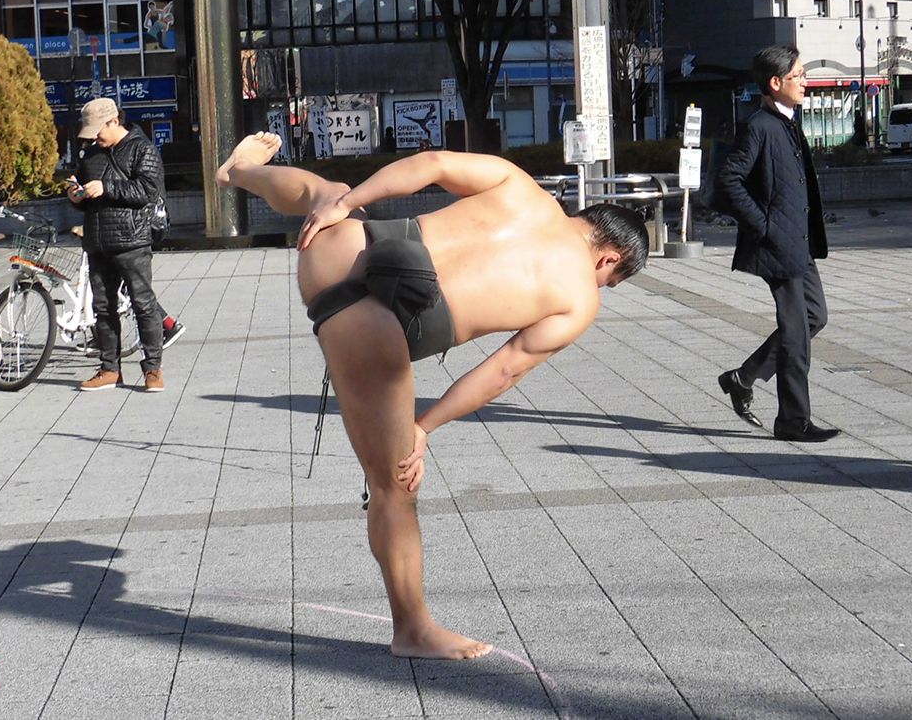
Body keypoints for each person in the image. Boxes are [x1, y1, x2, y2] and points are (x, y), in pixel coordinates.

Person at [215, 132, 648, 660]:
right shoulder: (579, 297)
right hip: (373, 329)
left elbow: (433, 163)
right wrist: (424, 427)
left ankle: (238, 173)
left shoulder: (521, 186)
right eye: (613, 281)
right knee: (394, 487)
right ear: (609, 258)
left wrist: (347, 205)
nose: (603, 287)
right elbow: (503, 372)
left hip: (343, 247)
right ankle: (412, 629)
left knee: (322, 191)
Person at [715, 45, 839, 443]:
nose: (806, 82)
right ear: (775, 82)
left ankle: (744, 377)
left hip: (797, 244)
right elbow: (728, 180)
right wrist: (764, 226)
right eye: (799, 76)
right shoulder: (760, 126)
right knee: (796, 334)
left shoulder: (786, 122)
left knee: (814, 317)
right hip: (778, 246)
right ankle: (792, 420)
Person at [67, 98, 168, 392]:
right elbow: (84, 196)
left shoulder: (142, 148)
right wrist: (76, 196)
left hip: (133, 241)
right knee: (103, 308)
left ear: (114, 121)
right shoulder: (90, 156)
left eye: (98, 131)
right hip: (98, 241)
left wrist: (106, 187)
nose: (95, 138)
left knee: (143, 304)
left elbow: (148, 190)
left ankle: (153, 369)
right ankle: (109, 369)